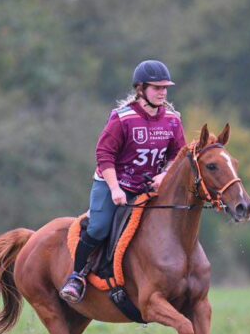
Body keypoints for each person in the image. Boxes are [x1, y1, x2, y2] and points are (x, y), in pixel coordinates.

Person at [59, 59, 186, 304]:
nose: (163, 92)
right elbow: (104, 155)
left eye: (165, 87)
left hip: (147, 187)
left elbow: (177, 154)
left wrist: (164, 174)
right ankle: (77, 277)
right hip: (113, 185)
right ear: (141, 89)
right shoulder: (122, 118)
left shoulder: (172, 119)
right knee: (99, 227)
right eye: (156, 87)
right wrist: (115, 188)